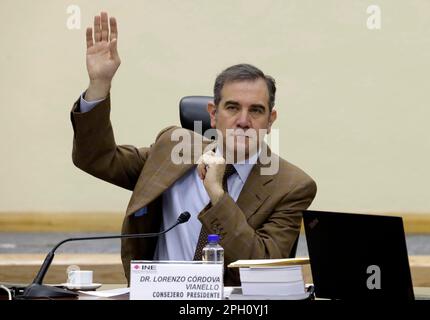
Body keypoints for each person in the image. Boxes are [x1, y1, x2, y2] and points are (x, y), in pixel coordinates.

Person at [70, 12, 317, 286]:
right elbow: (97, 159)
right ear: (213, 114)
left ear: (270, 120)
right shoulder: (174, 148)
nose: (243, 121)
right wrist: (99, 85)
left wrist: (217, 195)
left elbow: (263, 268)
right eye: (232, 107)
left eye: (256, 111)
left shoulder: (291, 186)